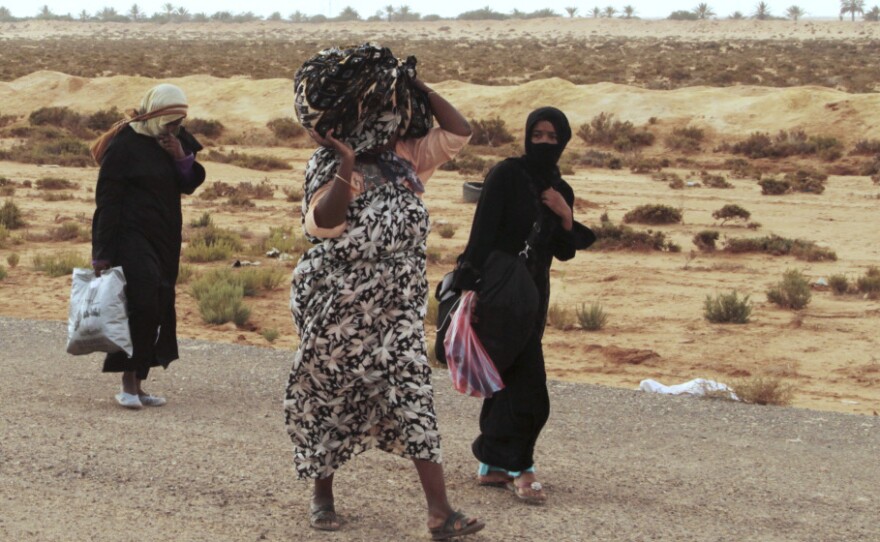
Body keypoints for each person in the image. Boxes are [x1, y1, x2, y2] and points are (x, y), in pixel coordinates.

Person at [285, 44, 484, 540]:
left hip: (397, 306)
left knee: (412, 394)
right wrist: (345, 165)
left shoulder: (408, 157)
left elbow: (460, 133)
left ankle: (440, 514)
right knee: (329, 394)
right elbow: (322, 226)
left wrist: (419, 89)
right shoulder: (327, 162)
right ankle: (321, 494)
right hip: (339, 302)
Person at [453, 107, 595, 504]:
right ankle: (523, 467)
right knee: (531, 386)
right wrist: (470, 285)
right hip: (500, 292)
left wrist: (564, 214)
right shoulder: (506, 174)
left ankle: (492, 464)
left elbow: (564, 252)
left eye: (553, 137)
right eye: (539, 135)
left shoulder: (559, 189)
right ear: (527, 136)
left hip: (533, 295)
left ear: (563, 141)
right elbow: (482, 233)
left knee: (508, 377)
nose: (545, 143)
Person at [90, 83, 205, 410]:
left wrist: (181, 157)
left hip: (164, 238)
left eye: (178, 122)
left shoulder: (174, 140)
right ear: (155, 114)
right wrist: (102, 252)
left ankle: (139, 385)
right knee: (140, 303)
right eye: (170, 122)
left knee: (157, 303)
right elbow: (107, 202)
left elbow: (191, 183)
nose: (175, 128)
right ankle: (127, 382)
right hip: (129, 236)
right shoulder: (125, 145)